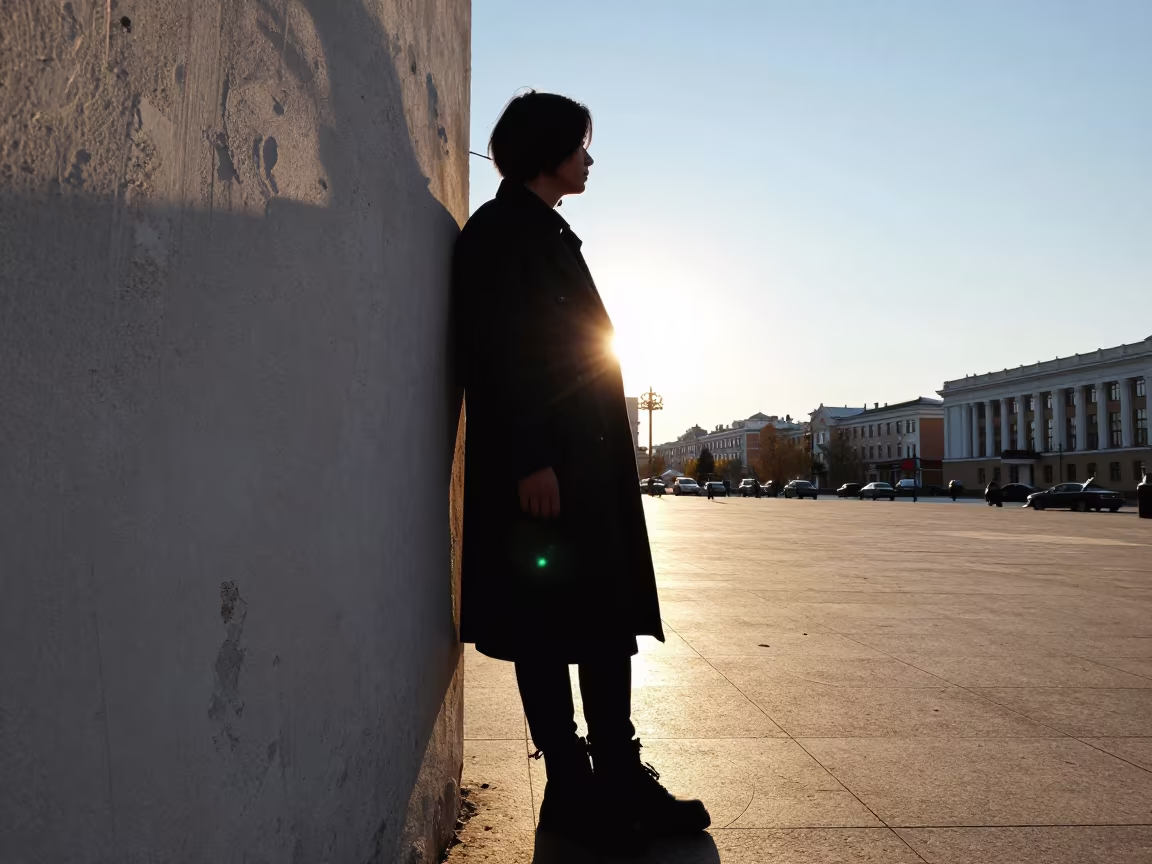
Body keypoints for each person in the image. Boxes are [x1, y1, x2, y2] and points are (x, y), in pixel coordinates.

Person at [453, 91, 709, 855]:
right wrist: (531, 455)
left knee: (596, 623)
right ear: (548, 152)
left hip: (580, 466)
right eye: (581, 146)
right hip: (549, 468)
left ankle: (612, 776)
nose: (590, 160)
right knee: (549, 626)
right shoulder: (504, 232)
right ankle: (574, 780)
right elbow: (500, 348)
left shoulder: (543, 231)